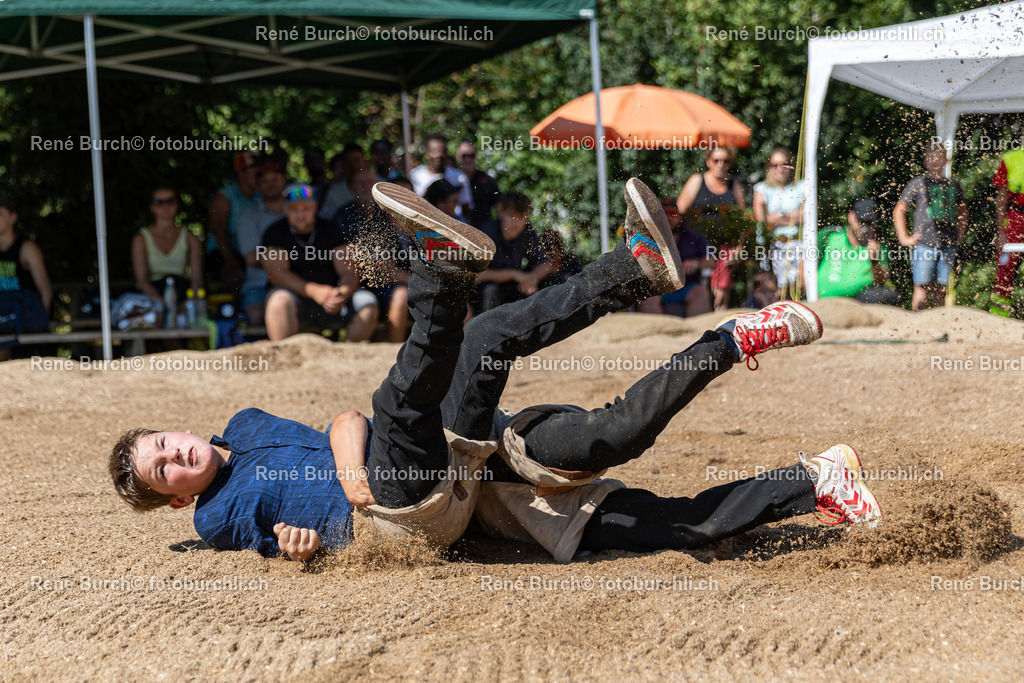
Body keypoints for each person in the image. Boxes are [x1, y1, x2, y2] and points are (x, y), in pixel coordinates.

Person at [109, 179, 880, 563]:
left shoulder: (242, 425)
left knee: (488, 352)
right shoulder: (214, 518)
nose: (177, 454)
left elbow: (345, 423)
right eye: (164, 469)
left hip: (442, 458)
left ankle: (647, 273)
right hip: (400, 514)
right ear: (174, 502)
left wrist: (347, 461)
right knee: (674, 518)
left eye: (164, 442)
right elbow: (276, 540)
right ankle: (442, 272)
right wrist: (300, 544)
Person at [260, 183, 378, 343]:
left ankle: (347, 358)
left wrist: (341, 293)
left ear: (315, 207)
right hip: (294, 297)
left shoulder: (332, 229)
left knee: (367, 303)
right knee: (278, 302)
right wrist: (315, 292)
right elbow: (277, 275)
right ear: (285, 209)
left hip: (332, 297)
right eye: (294, 209)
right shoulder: (273, 232)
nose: (300, 215)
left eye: (306, 208)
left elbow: (349, 271)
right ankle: (284, 361)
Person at [334, 167, 411, 342]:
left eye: (370, 182)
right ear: (351, 187)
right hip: (358, 283)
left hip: (396, 283)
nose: (366, 187)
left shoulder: (393, 216)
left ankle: (400, 355)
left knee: (403, 294)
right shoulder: (345, 216)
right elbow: (384, 268)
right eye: (360, 183)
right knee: (397, 294)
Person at [893, 143, 968, 311]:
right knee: (921, 287)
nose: (935, 162)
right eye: (931, 158)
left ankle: (937, 327)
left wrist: (960, 235)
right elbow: (899, 210)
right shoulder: (918, 183)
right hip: (924, 244)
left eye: (939, 157)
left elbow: (963, 211)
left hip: (947, 244)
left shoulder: (953, 185)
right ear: (925, 161)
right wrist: (904, 238)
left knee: (940, 289)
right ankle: (917, 327)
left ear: (946, 160)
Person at [474, 192, 555, 313]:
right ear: (501, 212)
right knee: (490, 290)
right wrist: (514, 274)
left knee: (552, 281)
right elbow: (476, 275)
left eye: (521, 217)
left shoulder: (527, 232)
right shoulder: (486, 233)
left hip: (515, 286)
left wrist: (531, 279)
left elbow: (545, 263)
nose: (516, 222)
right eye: (511, 216)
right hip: (487, 291)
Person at [235, 155, 289, 325]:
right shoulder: (247, 217)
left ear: (284, 181)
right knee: (256, 316)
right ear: (258, 186)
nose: (271, 184)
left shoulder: (298, 210)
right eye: (265, 181)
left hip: (297, 279)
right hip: (259, 283)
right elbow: (251, 257)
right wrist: (288, 256)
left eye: (275, 179)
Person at [819, 199, 900, 306]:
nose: (864, 227)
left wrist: (874, 260)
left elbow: (881, 281)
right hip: (823, 299)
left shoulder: (878, 245)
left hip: (858, 300)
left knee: (887, 295)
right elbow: (805, 266)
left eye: (869, 223)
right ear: (851, 217)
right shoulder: (829, 235)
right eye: (861, 222)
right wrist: (813, 295)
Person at [131, 187, 203, 307]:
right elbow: (142, 282)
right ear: (152, 207)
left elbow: (197, 280)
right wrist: (164, 305)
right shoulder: (141, 238)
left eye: (170, 201)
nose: (165, 206)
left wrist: (185, 305)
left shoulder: (190, 237)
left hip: (182, 294)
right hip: (153, 296)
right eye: (159, 202)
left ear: (177, 204)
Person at [0, 194, 52, 360]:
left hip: (23, 322)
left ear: (13, 217)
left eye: (0, 214)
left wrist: (36, 322)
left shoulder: (26, 248)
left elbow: (45, 291)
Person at [644, 199, 713, 318]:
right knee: (646, 295)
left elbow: (711, 262)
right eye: (664, 214)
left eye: (673, 213)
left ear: (681, 217)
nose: (669, 218)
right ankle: (655, 333)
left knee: (700, 292)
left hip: (687, 287)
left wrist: (697, 263)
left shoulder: (695, 239)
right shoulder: (647, 239)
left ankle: (695, 333)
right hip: (658, 288)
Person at [753, 148, 804, 301]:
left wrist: (776, 217)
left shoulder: (801, 186)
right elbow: (762, 220)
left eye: (784, 164)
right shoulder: (761, 189)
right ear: (769, 167)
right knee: (775, 288)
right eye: (775, 165)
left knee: (796, 285)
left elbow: (805, 216)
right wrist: (790, 215)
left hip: (796, 243)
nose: (779, 169)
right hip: (773, 246)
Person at [207, 151, 261, 294]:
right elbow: (218, 230)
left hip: (251, 252)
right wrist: (229, 260)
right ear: (240, 172)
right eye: (254, 170)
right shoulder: (225, 196)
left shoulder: (260, 195)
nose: (258, 174)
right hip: (224, 254)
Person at [990, 140, 1024, 317]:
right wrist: (1000, 232)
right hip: (1015, 218)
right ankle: (998, 320)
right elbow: (1001, 197)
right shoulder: (1011, 158)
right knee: (1004, 272)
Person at [409, 134, 472, 219]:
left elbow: (466, 209)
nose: (438, 155)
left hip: (454, 222)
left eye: (442, 151)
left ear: (446, 153)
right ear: (426, 153)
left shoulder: (459, 178)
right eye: (434, 151)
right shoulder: (414, 176)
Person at [455, 139, 502, 228]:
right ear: (457, 157)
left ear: (476, 157)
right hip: (455, 229)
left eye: (471, 155)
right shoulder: (451, 179)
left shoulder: (487, 181)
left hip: (482, 231)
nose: (468, 159)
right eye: (464, 156)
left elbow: (500, 208)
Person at [318, 144, 368, 222]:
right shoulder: (333, 193)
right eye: (349, 161)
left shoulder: (379, 186)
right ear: (343, 165)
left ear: (365, 161)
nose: (353, 165)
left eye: (357, 160)